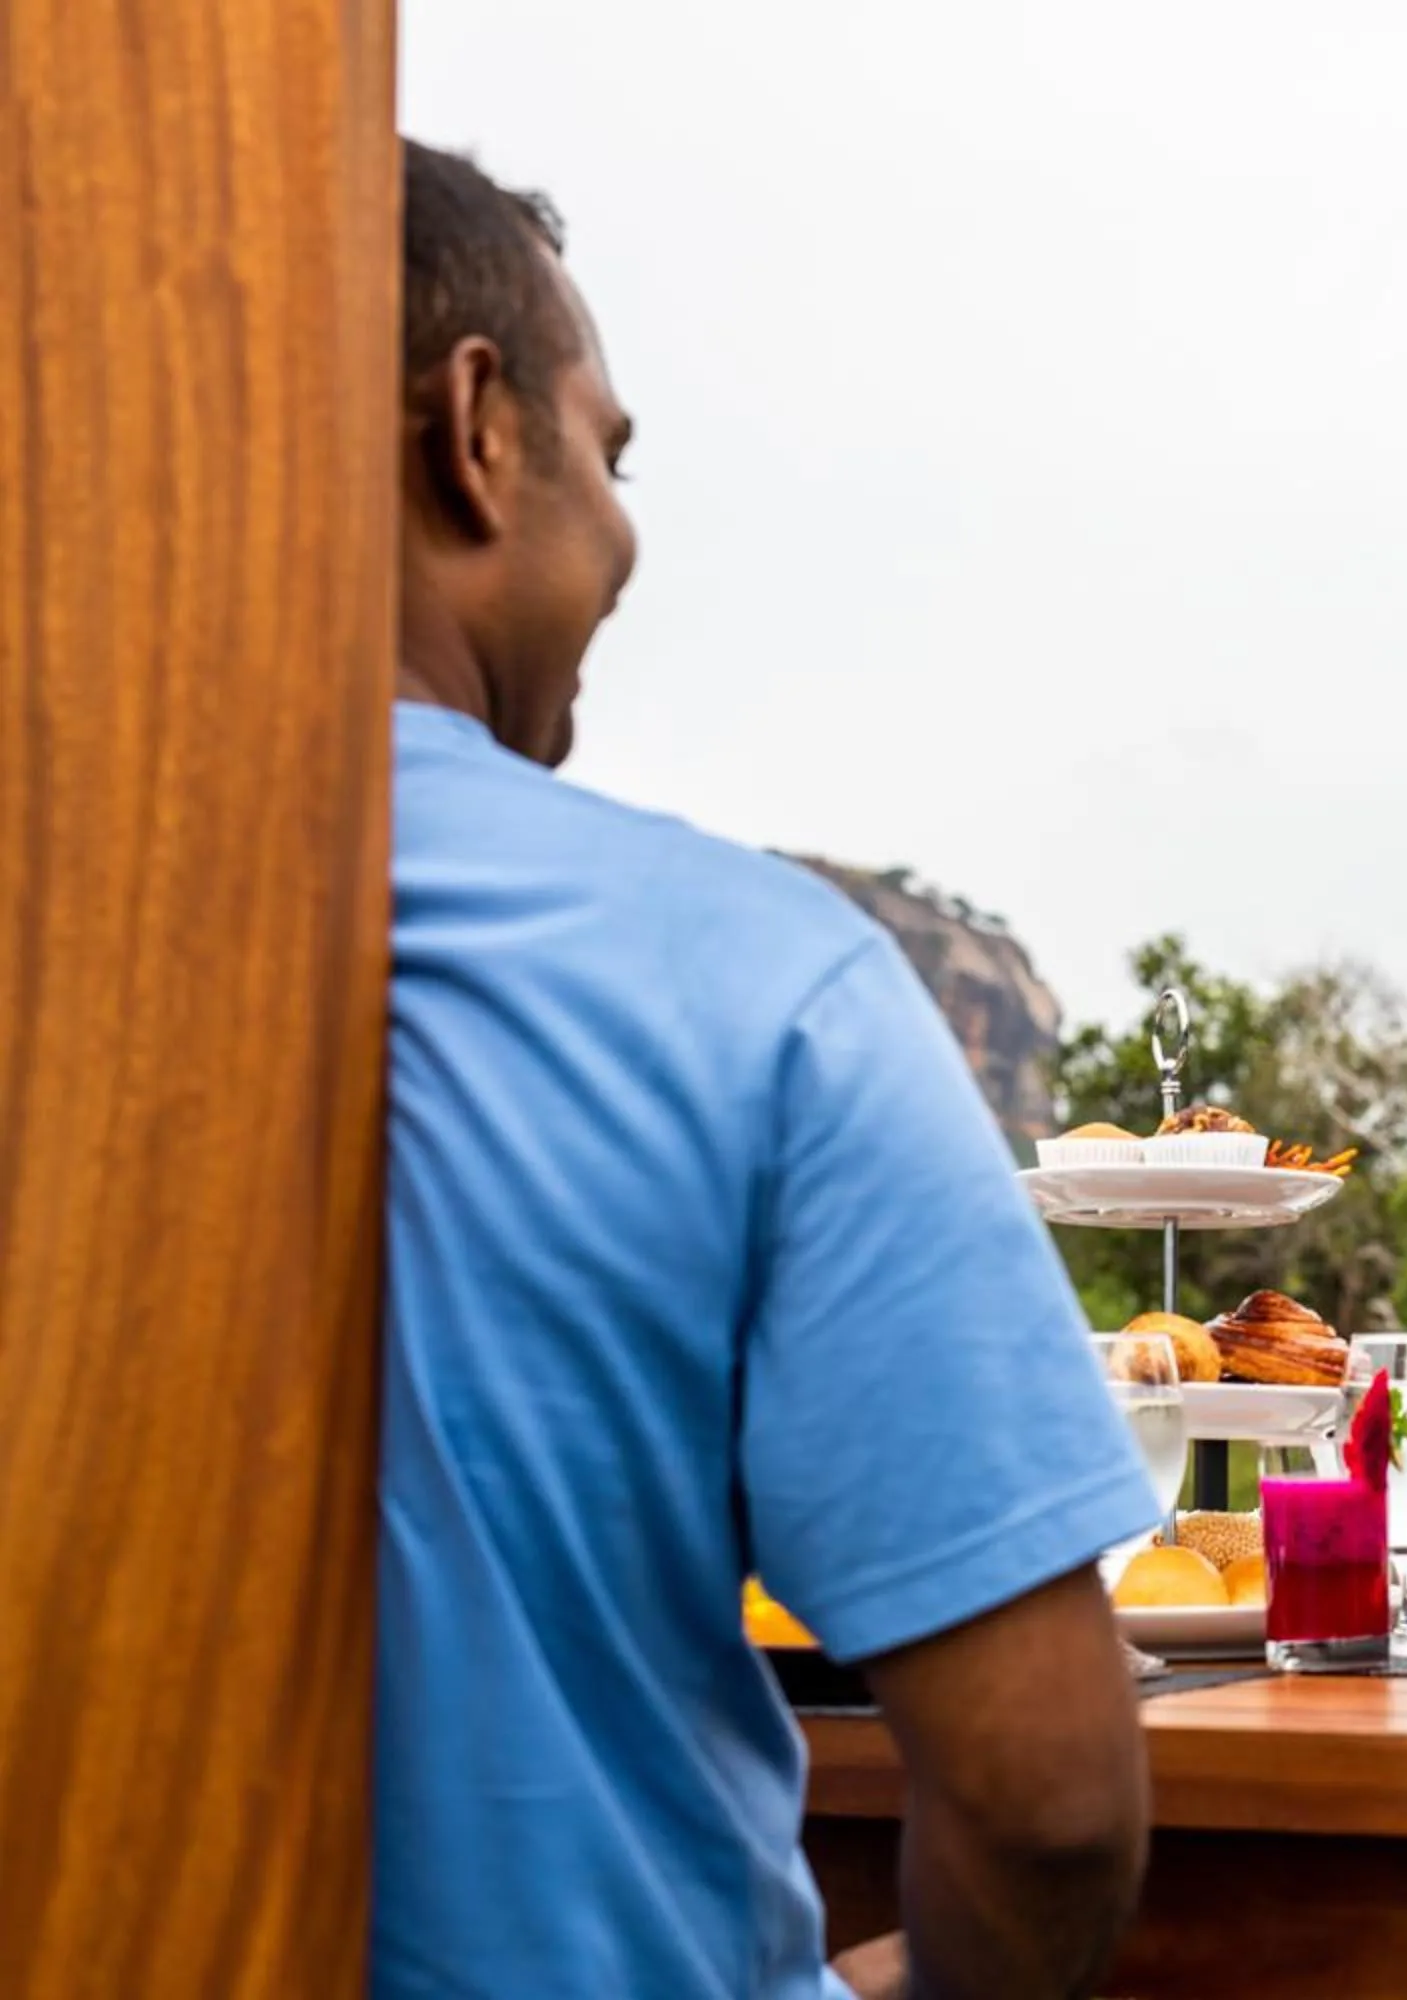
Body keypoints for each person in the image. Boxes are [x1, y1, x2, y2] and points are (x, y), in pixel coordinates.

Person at [380, 141, 1158, 2000]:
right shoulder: (756, 982)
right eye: (612, 452)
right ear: (478, 432)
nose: (629, 542)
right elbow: (1051, 1801)